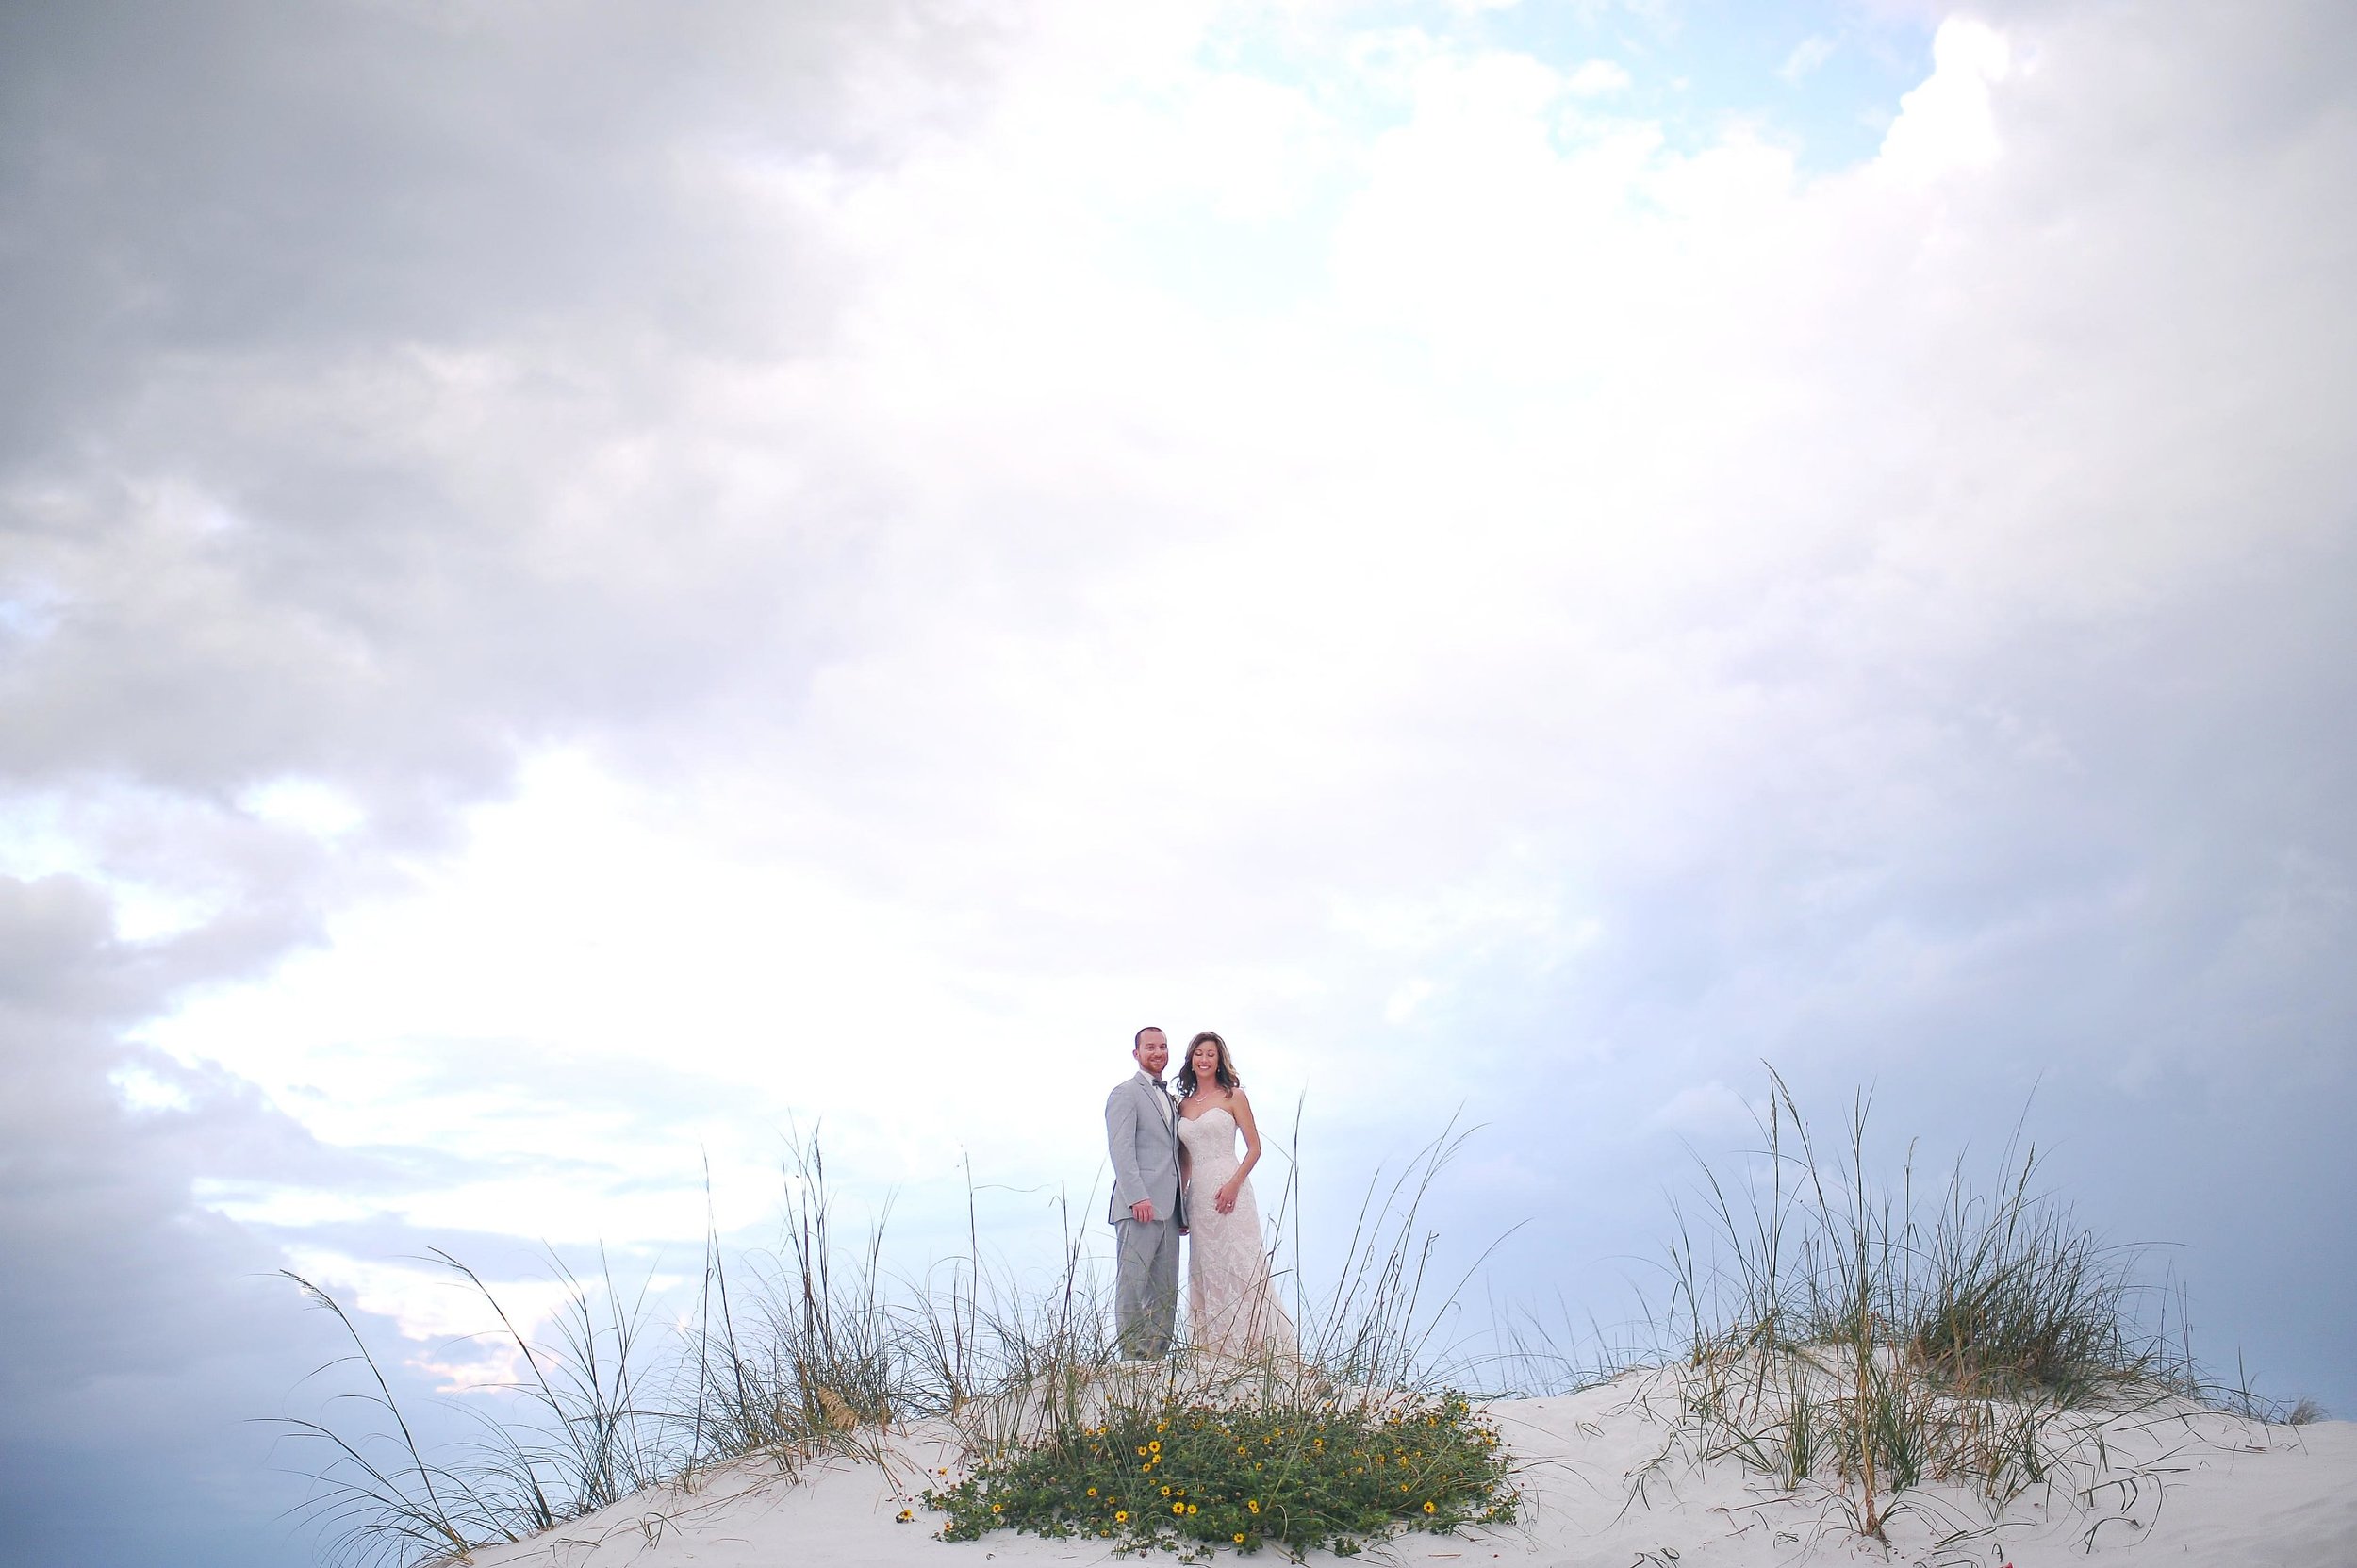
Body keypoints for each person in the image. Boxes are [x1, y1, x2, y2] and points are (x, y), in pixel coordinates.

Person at [1175, 1031, 1297, 1362]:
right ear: (1191, 1059)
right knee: (1207, 1268)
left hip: (1232, 1189)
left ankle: (1258, 1348)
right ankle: (1215, 1351)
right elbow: (1184, 1160)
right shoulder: (1181, 1105)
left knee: (1241, 1263)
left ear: (1219, 1060)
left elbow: (1255, 1148)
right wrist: (1181, 1205)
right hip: (1198, 1196)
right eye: (1198, 1053)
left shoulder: (1234, 1096)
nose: (1204, 1059)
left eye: (1210, 1054)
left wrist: (1233, 1185)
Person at [1106, 1025, 1186, 1360]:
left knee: (1164, 1287)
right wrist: (1137, 1195)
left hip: (1170, 1208)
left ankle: (1156, 1354)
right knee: (1132, 1281)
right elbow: (1121, 1149)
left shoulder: (1170, 1097)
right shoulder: (1125, 1093)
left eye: (1163, 1047)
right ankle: (1131, 1355)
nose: (1158, 1053)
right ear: (1136, 1053)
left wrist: (1183, 1207)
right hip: (1138, 1204)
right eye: (1150, 1047)